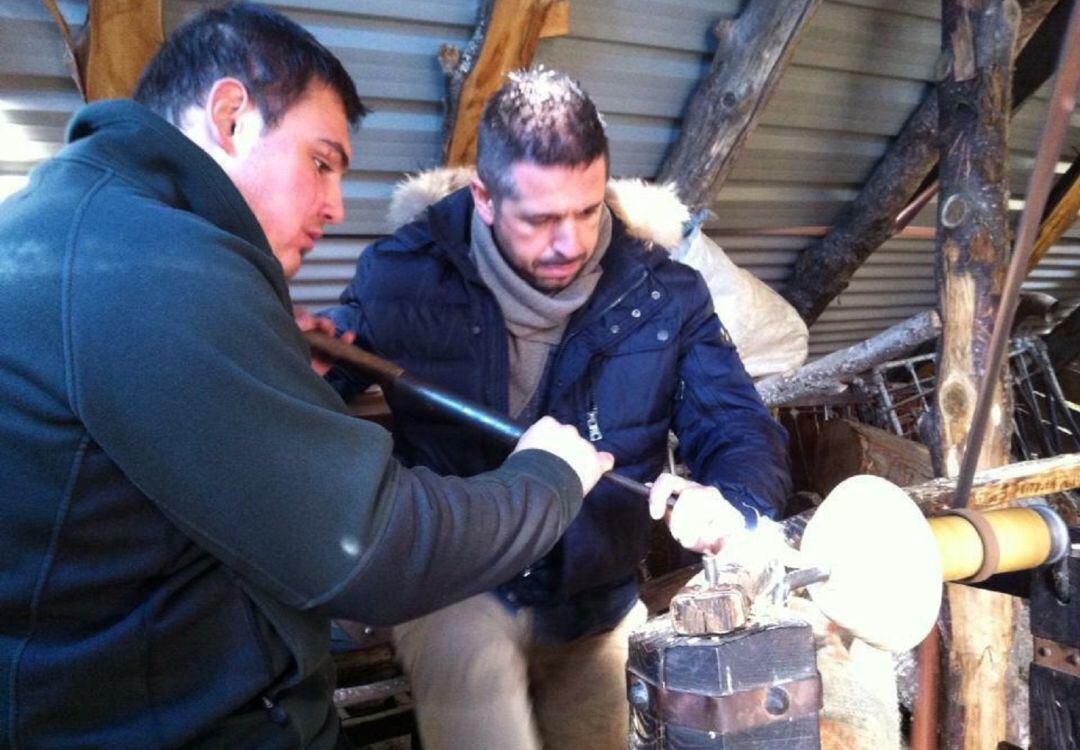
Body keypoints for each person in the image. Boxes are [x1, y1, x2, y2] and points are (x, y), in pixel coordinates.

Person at [0, 6, 615, 748]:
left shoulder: (82, 225)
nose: (335, 205)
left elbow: (196, 480)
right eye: (321, 162)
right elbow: (374, 547)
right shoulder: (154, 270)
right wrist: (548, 480)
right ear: (230, 117)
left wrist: (280, 372)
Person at [323, 68, 792, 749]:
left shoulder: (666, 295)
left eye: (585, 209)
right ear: (484, 197)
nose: (569, 242)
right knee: (484, 723)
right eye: (540, 219)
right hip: (457, 585)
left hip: (596, 603)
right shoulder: (401, 276)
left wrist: (732, 500)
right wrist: (293, 361)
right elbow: (301, 397)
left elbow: (736, 423)